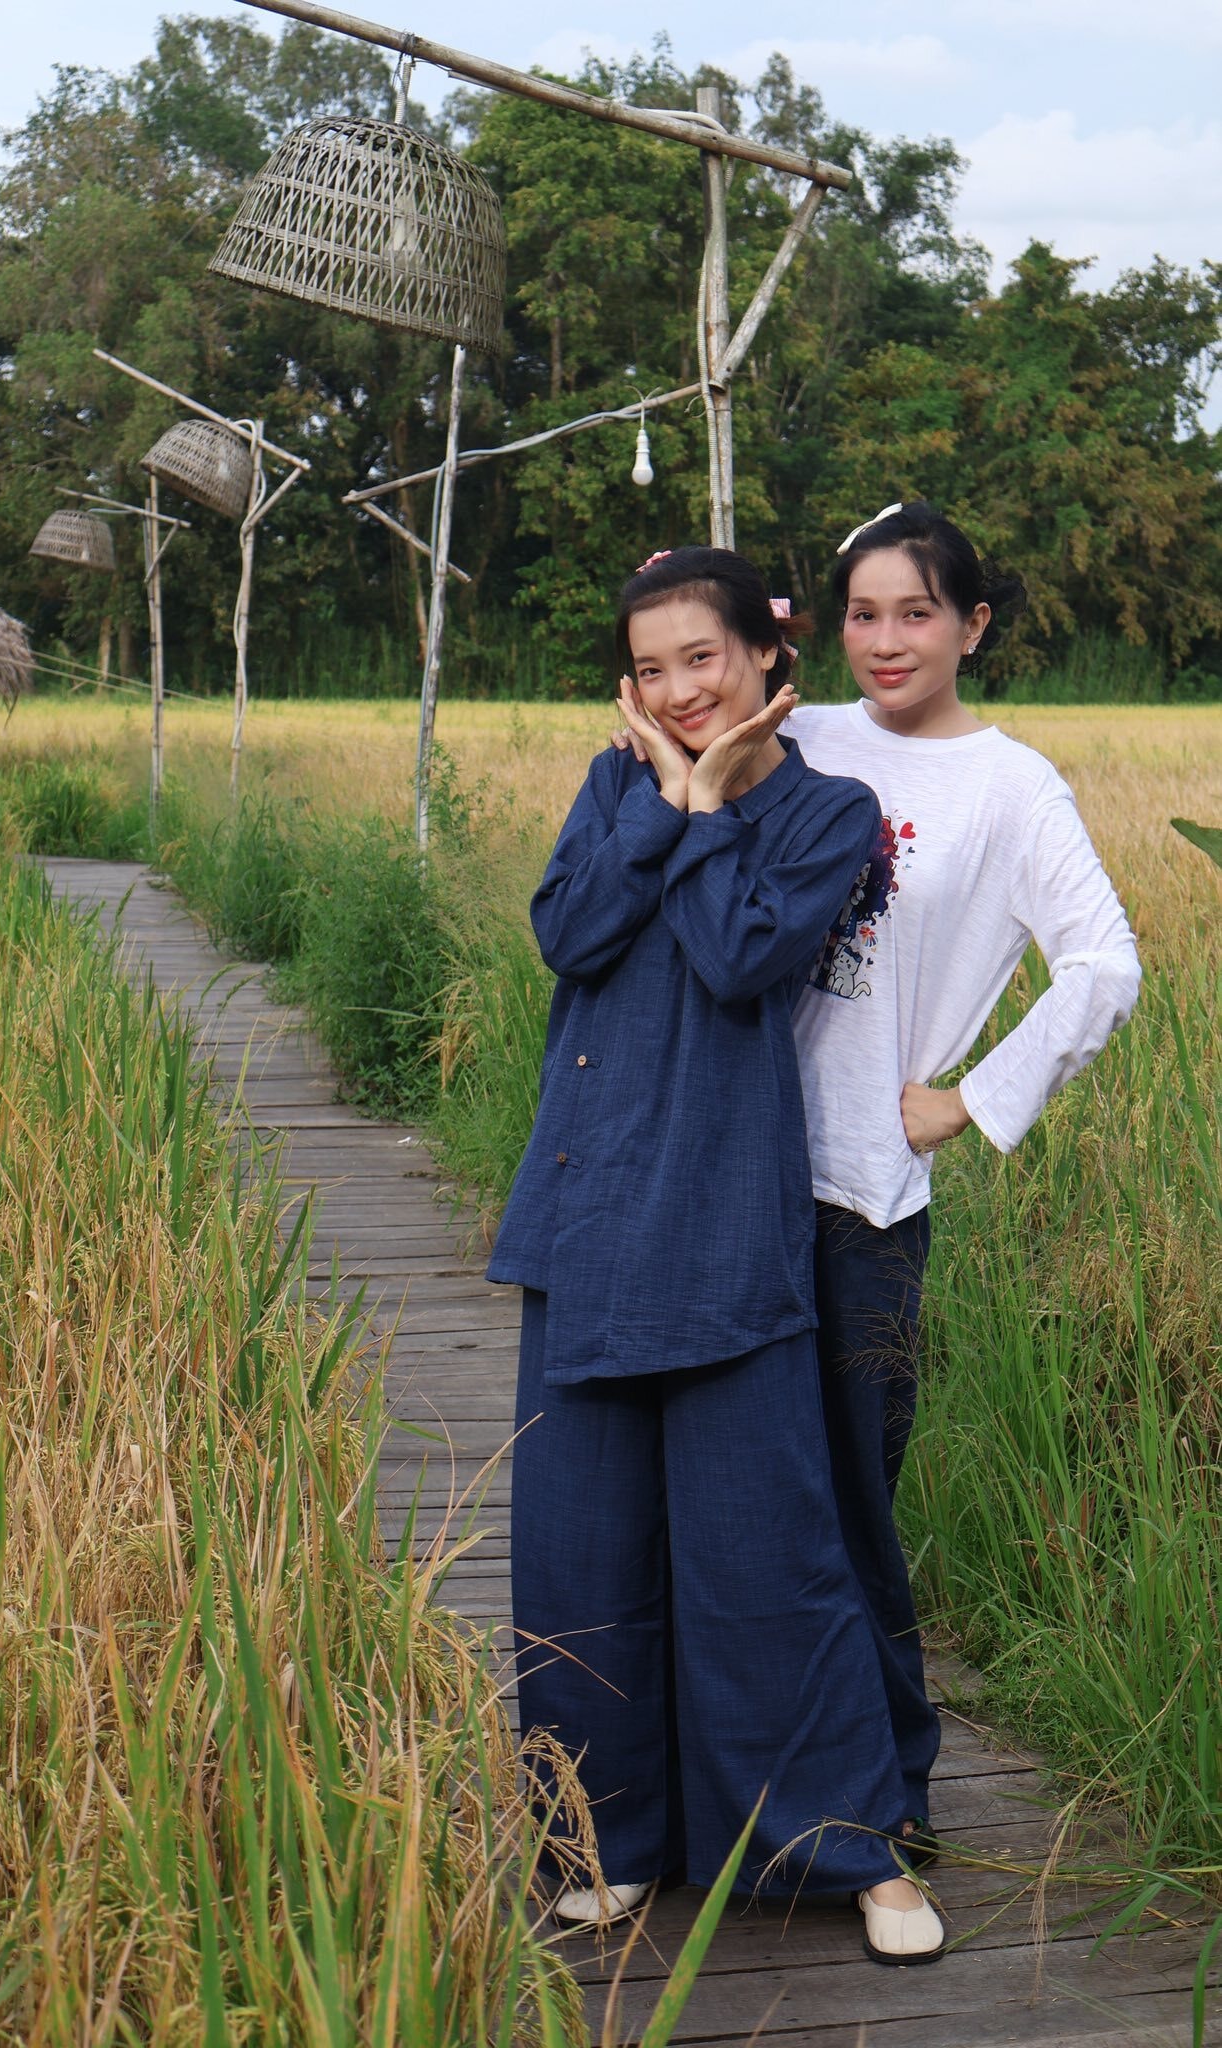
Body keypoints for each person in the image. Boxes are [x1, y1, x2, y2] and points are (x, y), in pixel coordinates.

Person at [488, 544, 948, 1965]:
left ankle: (842, 1843)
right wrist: (668, 799)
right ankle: (604, 1838)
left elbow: (740, 951)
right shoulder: (611, 784)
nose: (681, 689)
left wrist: (700, 804)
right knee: (582, 1554)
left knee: (769, 1555)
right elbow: (568, 931)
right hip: (587, 1211)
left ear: (766, 655)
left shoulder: (827, 813)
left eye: (703, 657)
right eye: (652, 669)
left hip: (729, 1216)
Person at [788, 500, 1142, 1851]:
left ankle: (891, 1795)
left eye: (916, 614)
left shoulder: (1010, 788)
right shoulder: (804, 736)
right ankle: (741, 1783)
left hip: (866, 1200)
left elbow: (1103, 965)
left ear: (972, 625)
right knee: (735, 1493)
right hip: (736, 1171)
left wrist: (967, 1101)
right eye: (861, 615)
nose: (885, 641)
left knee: (853, 1509)